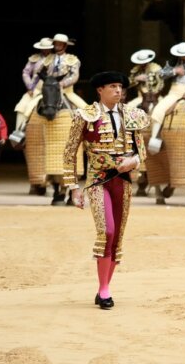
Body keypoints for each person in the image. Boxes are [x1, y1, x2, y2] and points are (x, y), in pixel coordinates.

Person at [62, 71, 151, 310]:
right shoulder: (85, 115)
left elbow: (141, 150)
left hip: (122, 181)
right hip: (98, 180)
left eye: (120, 87)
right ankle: (104, 290)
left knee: (118, 236)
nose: (119, 91)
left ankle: (104, 288)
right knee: (107, 231)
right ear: (100, 90)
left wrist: (134, 161)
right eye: (113, 87)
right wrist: (73, 188)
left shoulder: (132, 115)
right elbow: (70, 152)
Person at [10, 34, 85, 146]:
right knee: (25, 107)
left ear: (65, 45)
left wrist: (62, 83)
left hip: (66, 91)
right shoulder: (48, 58)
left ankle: (87, 138)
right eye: (56, 43)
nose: (57, 45)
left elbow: (74, 76)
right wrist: (32, 87)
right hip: (48, 89)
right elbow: (38, 74)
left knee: (85, 109)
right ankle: (19, 135)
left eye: (60, 44)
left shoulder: (72, 59)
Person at [148, 42, 185, 153]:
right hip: (174, 92)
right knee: (158, 110)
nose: (183, 57)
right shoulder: (172, 62)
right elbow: (161, 74)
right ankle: (154, 138)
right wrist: (174, 71)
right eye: (181, 55)